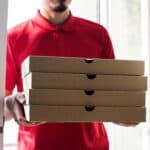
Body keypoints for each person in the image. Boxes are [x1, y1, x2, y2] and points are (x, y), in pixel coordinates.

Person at [4, 0, 138, 150]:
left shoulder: (98, 35)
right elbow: (3, 106)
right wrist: (9, 105)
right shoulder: (13, 38)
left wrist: (127, 113)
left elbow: (115, 99)